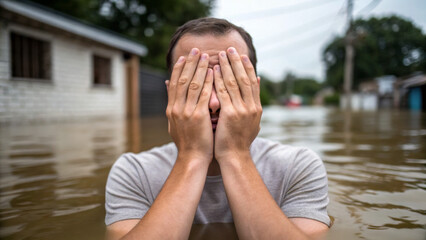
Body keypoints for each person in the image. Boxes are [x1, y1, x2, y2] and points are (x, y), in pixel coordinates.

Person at [105, 17, 330, 239]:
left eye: (229, 82)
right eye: (196, 82)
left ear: (254, 90)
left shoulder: (297, 167)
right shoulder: (133, 173)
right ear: (171, 92)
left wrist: (235, 154)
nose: (213, 102)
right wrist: (192, 156)